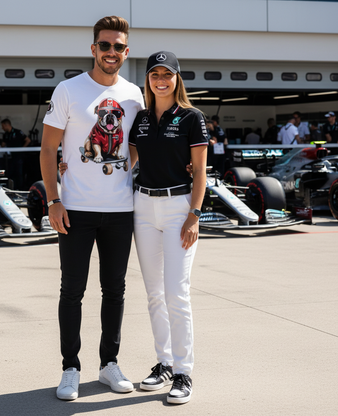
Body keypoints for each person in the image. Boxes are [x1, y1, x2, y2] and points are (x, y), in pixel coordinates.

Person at [40, 16, 144, 401]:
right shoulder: (69, 90)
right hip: (76, 210)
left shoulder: (135, 94)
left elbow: (137, 143)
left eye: (118, 47)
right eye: (105, 45)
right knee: (72, 290)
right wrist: (54, 200)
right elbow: (49, 149)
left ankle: (108, 364)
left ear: (126, 51)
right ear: (93, 48)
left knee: (114, 290)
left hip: (120, 210)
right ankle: (70, 368)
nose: (111, 52)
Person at [129, 51, 208, 404]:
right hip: (143, 207)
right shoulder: (141, 118)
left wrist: (194, 214)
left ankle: (183, 371)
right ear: (148, 79)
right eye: (154, 74)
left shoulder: (192, 118)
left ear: (177, 78)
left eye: (167, 74)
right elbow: (123, 160)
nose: (161, 80)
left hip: (179, 209)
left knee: (177, 292)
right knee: (154, 294)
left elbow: (201, 171)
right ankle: (163, 363)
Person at [1, 119, 31, 189]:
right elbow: (3, 144)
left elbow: (28, 140)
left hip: (18, 157)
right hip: (9, 157)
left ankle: (20, 189)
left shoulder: (18, 132)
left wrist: (22, 149)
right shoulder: (5, 135)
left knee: (19, 173)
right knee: (10, 173)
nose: (2, 128)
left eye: (3, 126)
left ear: (7, 125)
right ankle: (11, 188)